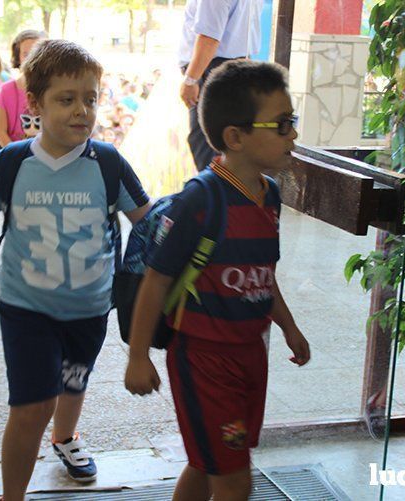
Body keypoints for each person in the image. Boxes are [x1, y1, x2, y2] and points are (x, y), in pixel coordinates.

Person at [0, 40, 150, 501]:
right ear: (35, 104)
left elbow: (149, 222)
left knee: (72, 381)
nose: (82, 110)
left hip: (90, 306)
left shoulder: (107, 163)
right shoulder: (13, 164)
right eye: (67, 100)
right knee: (32, 405)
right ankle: (13, 495)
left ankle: (65, 439)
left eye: (90, 98)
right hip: (27, 307)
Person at [125, 60, 310, 501]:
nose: (294, 135)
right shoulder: (200, 201)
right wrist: (137, 357)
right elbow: (156, 281)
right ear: (235, 137)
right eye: (282, 125)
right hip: (204, 360)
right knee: (234, 480)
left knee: (209, 462)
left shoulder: (270, 196)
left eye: (293, 121)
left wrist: (288, 326)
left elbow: (263, 274)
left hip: (250, 353)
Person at [178, 0, 262, 172]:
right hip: (236, 66)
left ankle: (216, 197)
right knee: (226, 144)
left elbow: (209, 37)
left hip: (213, 69)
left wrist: (190, 80)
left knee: (207, 144)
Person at [0, 29, 45, 149]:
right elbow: (0, 132)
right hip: (13, 156)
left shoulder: (52, 89)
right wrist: (17, 156)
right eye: (26, 54)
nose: (31, 59)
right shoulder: (6, 90)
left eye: (36, 53)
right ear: (18, 57)